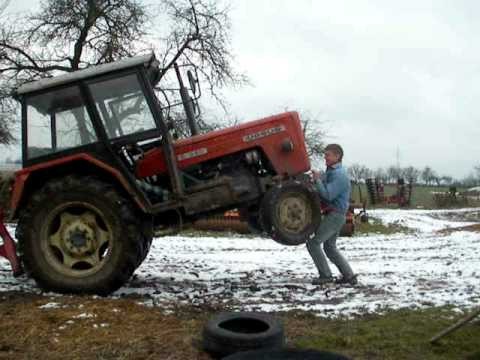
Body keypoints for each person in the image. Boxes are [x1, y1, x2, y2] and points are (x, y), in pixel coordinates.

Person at [308, 144, 357, 286]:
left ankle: (326, 276)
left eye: (328, 155)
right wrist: (316, 180)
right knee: (329, 247)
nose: (325, 157)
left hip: (335, 215)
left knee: (313, 243)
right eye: (325, 155)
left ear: (337, 156)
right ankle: (349, 276)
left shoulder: (340, 175)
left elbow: (328, 195)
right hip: (335, 215)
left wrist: (317, 180)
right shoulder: (331, 172)